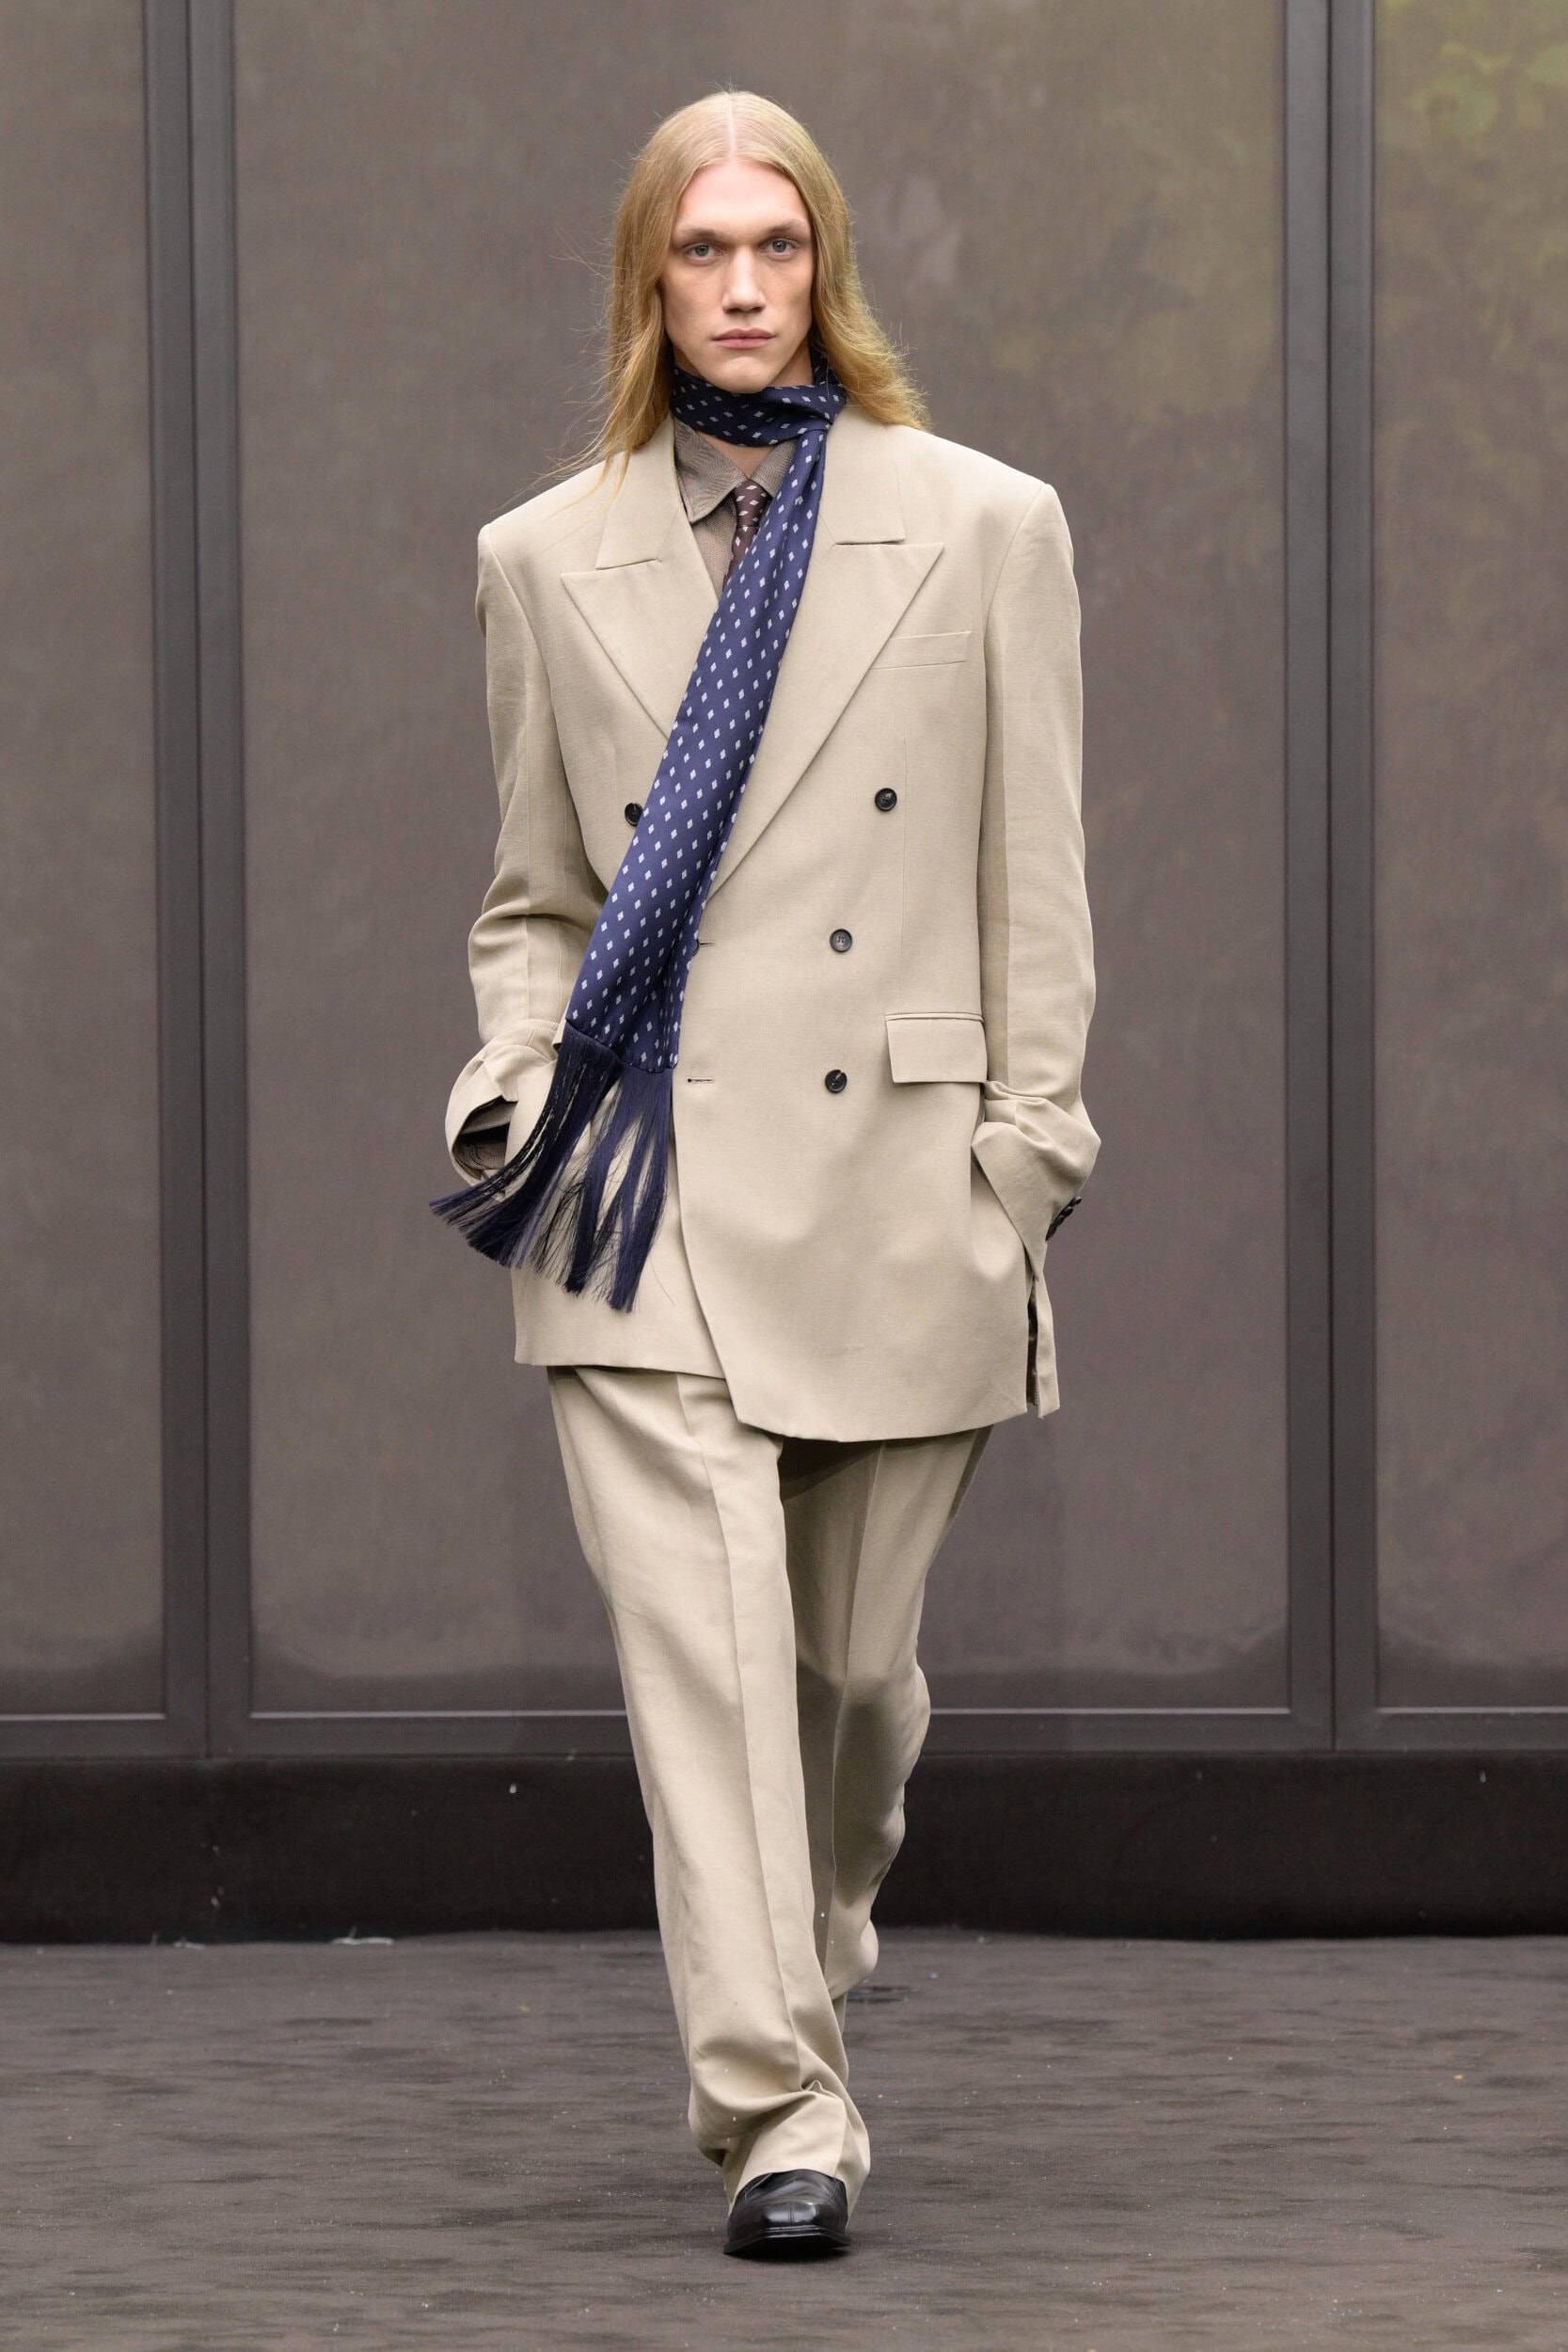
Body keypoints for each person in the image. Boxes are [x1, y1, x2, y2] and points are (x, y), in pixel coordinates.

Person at [435, 87, 1098, 2261]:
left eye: (777, 245)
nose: (742, 285)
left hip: (904, 1182)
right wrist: (511, 1083)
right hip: (633, 1186)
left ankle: (798, 1939)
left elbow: (1035, 873)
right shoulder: (544, 556)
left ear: (826, 267)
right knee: (708, 1680)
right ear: (650, 274)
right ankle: (783, 2103)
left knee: (844, 1685)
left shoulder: (984, 524)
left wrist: (1029, 1153)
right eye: (703, 248)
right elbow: (538, 894)